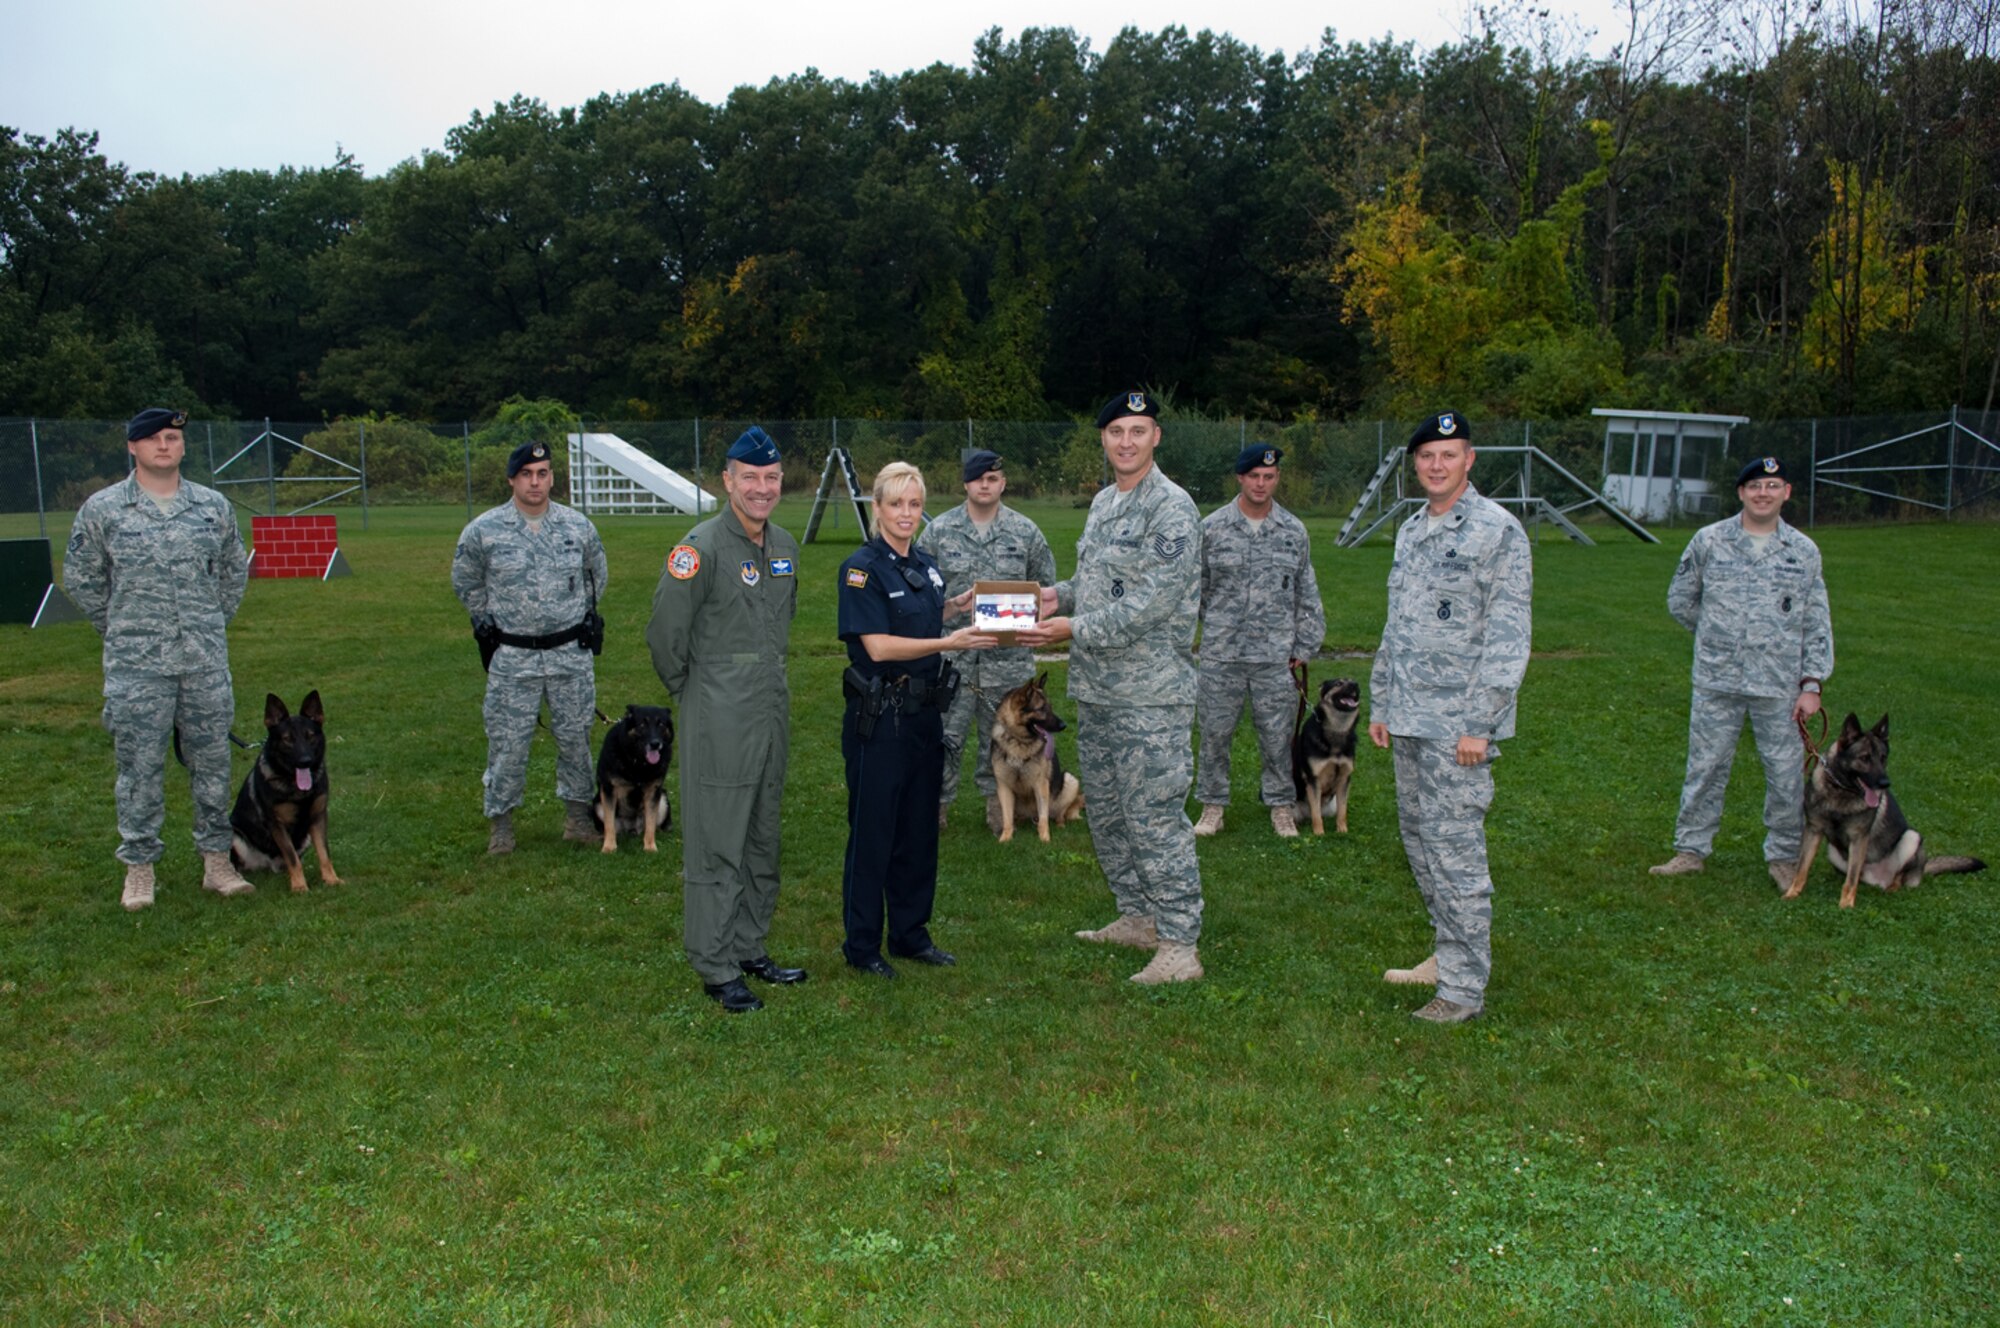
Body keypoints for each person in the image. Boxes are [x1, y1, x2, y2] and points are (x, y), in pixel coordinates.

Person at [1017, 391, 1206, 984]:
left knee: (1152, 815)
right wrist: (1059, 596)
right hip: (1098, 690)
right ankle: (1137, 916)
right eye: (1116, 431)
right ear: (1103, 439)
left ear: (1156, 437)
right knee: (1111, 816)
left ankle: (1180, 943)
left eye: (1138, 430)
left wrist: (1072, 626)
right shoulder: (1104, 503)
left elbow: (1152, 602)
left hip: (1150, 697)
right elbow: (1102, 582)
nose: (1126, 441)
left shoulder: (1171, 508)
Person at [1367, 412, 1531, 1025]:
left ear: (1470, 460)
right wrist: (1382, 702)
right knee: (1420, 843)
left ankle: (1463, 987)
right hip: (1410, 717)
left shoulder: (1497, 531)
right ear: (1416, 463)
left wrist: (1480, 724)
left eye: (1449, 454)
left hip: (1459, 726)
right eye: (1427, 456)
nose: (1437, 465)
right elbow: (1398, 625)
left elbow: (1509, 638)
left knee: (1455, 851)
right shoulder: (1412, 530)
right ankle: (1446, 950)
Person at [64, 407, 254, 910]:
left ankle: (217, 861)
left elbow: (234, 571)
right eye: (152, 439)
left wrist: (209, 621)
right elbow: (82, 579)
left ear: (184, 447)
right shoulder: (104, 509)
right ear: (133, 447)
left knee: (211, 762)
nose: (164, 446)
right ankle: (139, 868)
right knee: (139, 767)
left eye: (173, 437)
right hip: (136, 665)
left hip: (203, 661)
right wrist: (124, 628)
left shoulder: (212, 507)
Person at [646, 427, 805, 1015]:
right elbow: (665, 634)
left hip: (770, 709)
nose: (762, 489)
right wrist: (695, 690)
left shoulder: (784, 543)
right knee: (717, 839)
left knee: (761, 834)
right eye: (750, 478)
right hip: (718, 713)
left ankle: (748, 946)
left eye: (772, 478)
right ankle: (713, 964)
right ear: (728, 481)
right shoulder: (700, 547)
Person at [837, 462, 997, 978]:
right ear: (877, 508)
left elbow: (917, 616)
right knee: (874, 835)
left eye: (913, 504)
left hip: (925, 718)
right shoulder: (861, 568)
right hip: (881, 721)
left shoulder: (925, 566)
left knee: (917, 833)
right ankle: (862, 946)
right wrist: (949, 642)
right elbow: (879, 645)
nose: (906, 514)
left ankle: (910, 935)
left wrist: (955, 608)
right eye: (895, 504)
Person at [1651, 456, 1833, 889]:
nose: (1763, 493)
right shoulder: (1709, 541)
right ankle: (1690, 850)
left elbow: (1816, 620)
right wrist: (1719, 635)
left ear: (1786, 492)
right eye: (1755, 486)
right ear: (1741, 493)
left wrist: (1811, 684)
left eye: (1772, 486)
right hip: (1719, 679)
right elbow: (1681, 599)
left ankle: (1784, 857)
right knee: (1706, 766)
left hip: (1779, 684)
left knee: (1785, 773)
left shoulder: (1803, 551)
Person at [451, 441, 609, 855]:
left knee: (576, 737)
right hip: (513, 655)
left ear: (552, 477)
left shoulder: (578, 527)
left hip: (568, 653)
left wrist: (574, 615)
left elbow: (596, 578)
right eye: (526, 474)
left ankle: (578, 818)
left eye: (542, 473)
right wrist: (484, 616)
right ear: (512, 480)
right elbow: (465, 580)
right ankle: (501, 825)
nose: (535, 482)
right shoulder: (484, 530)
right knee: (507, 743)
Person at [917, 448, 1058, 832]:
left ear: (1003, 483)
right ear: (965, 483)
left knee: (1004, 738)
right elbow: (920, 594)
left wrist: (1034, 621)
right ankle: (935, 808)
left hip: (1008, 659)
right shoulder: (938, 532)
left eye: (992, 478)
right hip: (953, 657)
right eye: (978, 477)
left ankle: (999, 808)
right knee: (943, 734)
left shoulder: (1026, 532)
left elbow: (1045, 588)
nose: (985, 484)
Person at [1193, 443, 1326, 839]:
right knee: (1214, 735)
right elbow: (1196, 590)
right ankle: (1212, 805)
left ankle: (1282, 806)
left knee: (1277, 738)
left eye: (1269, 477)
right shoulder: (1212, 529)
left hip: (1275, 658)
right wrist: (1219, 625)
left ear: (1277, 478)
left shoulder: (1292, 531)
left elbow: (1307, 591)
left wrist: (1303, 648)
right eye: (1254, 476)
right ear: (1240, 478)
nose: (1261, 484)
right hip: (1222, 656)